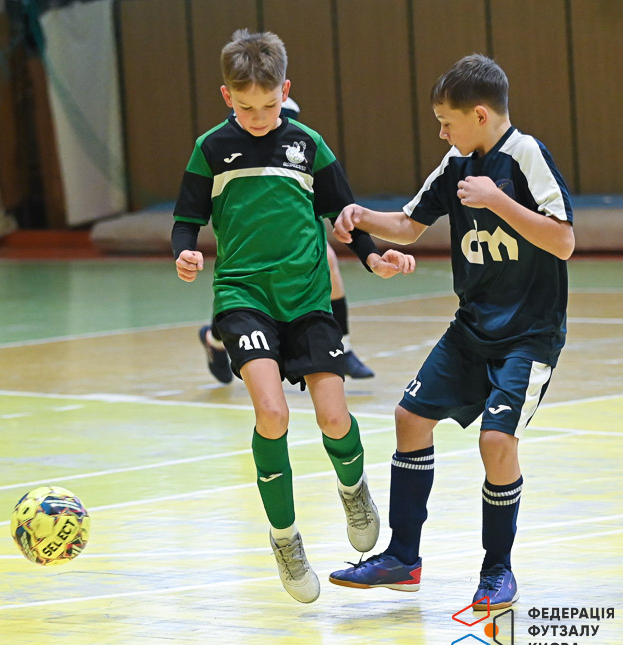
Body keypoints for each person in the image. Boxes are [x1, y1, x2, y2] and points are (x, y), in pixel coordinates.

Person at [173, 29, 415, 603]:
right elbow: (187, 217)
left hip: (306, 299)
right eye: (246, 107)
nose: (259, 118)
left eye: (269, 105)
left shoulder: (308, 145)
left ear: (285, 91)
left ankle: (354, 489)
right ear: (227, 96)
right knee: (273, 413)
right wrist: (184, 252)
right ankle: (285, 538)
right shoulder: (210, 149)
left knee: (333, 417)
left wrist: (372, 258)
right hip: (243, 297)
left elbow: (342, 213)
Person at [328, 54, 574, 610]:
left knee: (496, 441)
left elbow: (563, 241)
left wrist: (498, 201)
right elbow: (408, 225)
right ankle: (403, 558)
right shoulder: (456, 163)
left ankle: (497, 570)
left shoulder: (527, 156)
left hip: (528, 335)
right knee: (409, 418)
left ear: (480, 115)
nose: (441, 132)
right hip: (471, 327)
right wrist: (360, 216)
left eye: (446, 121)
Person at [198, 98, 375, 385]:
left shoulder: (298, 141)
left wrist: (370, 254)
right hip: (249, 238)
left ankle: (343, 346)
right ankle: (214, 339)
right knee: (244, 286)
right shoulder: (227, 148)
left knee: (327, 260)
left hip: (291, 233)